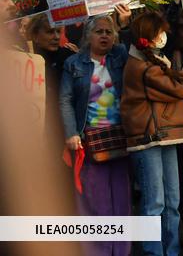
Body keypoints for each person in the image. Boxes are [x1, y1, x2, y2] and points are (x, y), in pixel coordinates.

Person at [121, 10, 183, 256]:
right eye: (160, 32)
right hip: (149, 139)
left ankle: (171, 251)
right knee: (154, 203)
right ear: (150, 35)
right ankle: (154, 252)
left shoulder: (153, 62)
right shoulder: (144, 68)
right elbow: (179, 88)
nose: (165, 35)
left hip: (165, 135)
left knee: (172, 202)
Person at [59, 16, 130, 256]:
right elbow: (66, 100)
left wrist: (124, 22)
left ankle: (120, 251)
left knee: (121, 200)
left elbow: (133, 42)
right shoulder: (74, 63)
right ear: (88, 36)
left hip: (121, 139)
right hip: (89, 140)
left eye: (109, 32)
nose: (104, 36)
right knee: (95, 201)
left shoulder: (120, 57)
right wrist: (70, 133)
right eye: (98, 31)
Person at [26, 13, 75, 146]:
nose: (56, 37)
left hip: (68, 130)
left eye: (59, 31)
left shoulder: (69, 58)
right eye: (50, 32)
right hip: (39, 128)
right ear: (35, 35)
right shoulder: (27, 60)